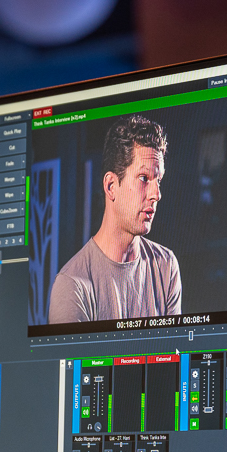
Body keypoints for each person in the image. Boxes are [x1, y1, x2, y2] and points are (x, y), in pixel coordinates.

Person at [48, 114, 181, 323]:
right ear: (111, 186)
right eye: (144, 178)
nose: (157, 194)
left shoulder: (166, 266)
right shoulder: (73, 285)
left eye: (159, 180)